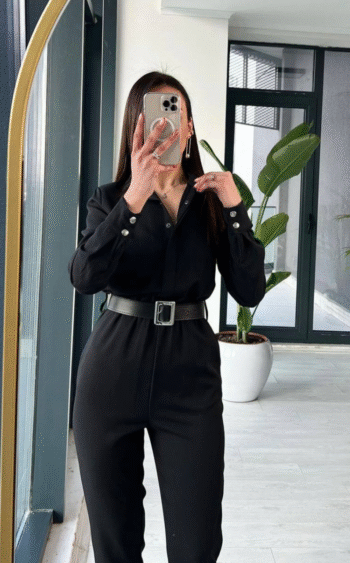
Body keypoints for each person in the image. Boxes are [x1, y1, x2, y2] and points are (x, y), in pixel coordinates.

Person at [69, 71, 266, 563]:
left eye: (175, 115)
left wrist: (236, 208)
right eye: (155, 118)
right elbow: (84, 276)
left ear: (190, 126)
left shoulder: (211, 203)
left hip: (190, 373)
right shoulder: (109, 200)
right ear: (136, 129)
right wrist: (135, 196)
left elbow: (249, 290)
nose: (166, 128)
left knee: (197, 544)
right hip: (112, 369)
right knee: (115, 545)